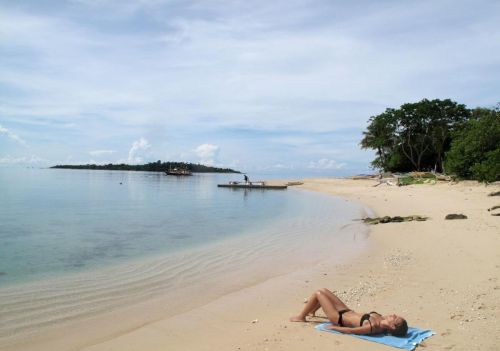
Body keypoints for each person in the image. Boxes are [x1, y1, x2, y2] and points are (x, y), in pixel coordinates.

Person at [290, 288, 408, 337]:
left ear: (392, 326)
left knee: (318, 293)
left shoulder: (372, 327)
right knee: (324, 290)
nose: (393, 314)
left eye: (395, 318)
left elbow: (350, 330)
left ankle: (301, 317)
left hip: (337, 317)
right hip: (346, 310)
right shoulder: (382, 318)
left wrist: (333, 327)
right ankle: (312, 312)